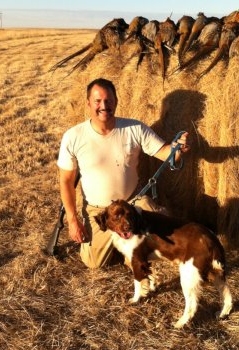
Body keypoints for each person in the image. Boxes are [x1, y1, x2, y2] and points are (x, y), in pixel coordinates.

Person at [57, 78, 190, 268]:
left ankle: (134, 245)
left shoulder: (134, 128)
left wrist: (177, 149)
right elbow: (66, 182)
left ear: (116, 101)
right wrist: (72, 220)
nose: (104, 106)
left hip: (132, 202)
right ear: (88, 104)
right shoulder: (73, 136)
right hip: (99, 210)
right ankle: (121, 242)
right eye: (97, 101)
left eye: (109, 100)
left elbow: (164, 153)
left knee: (168, 232)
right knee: (94, 263)